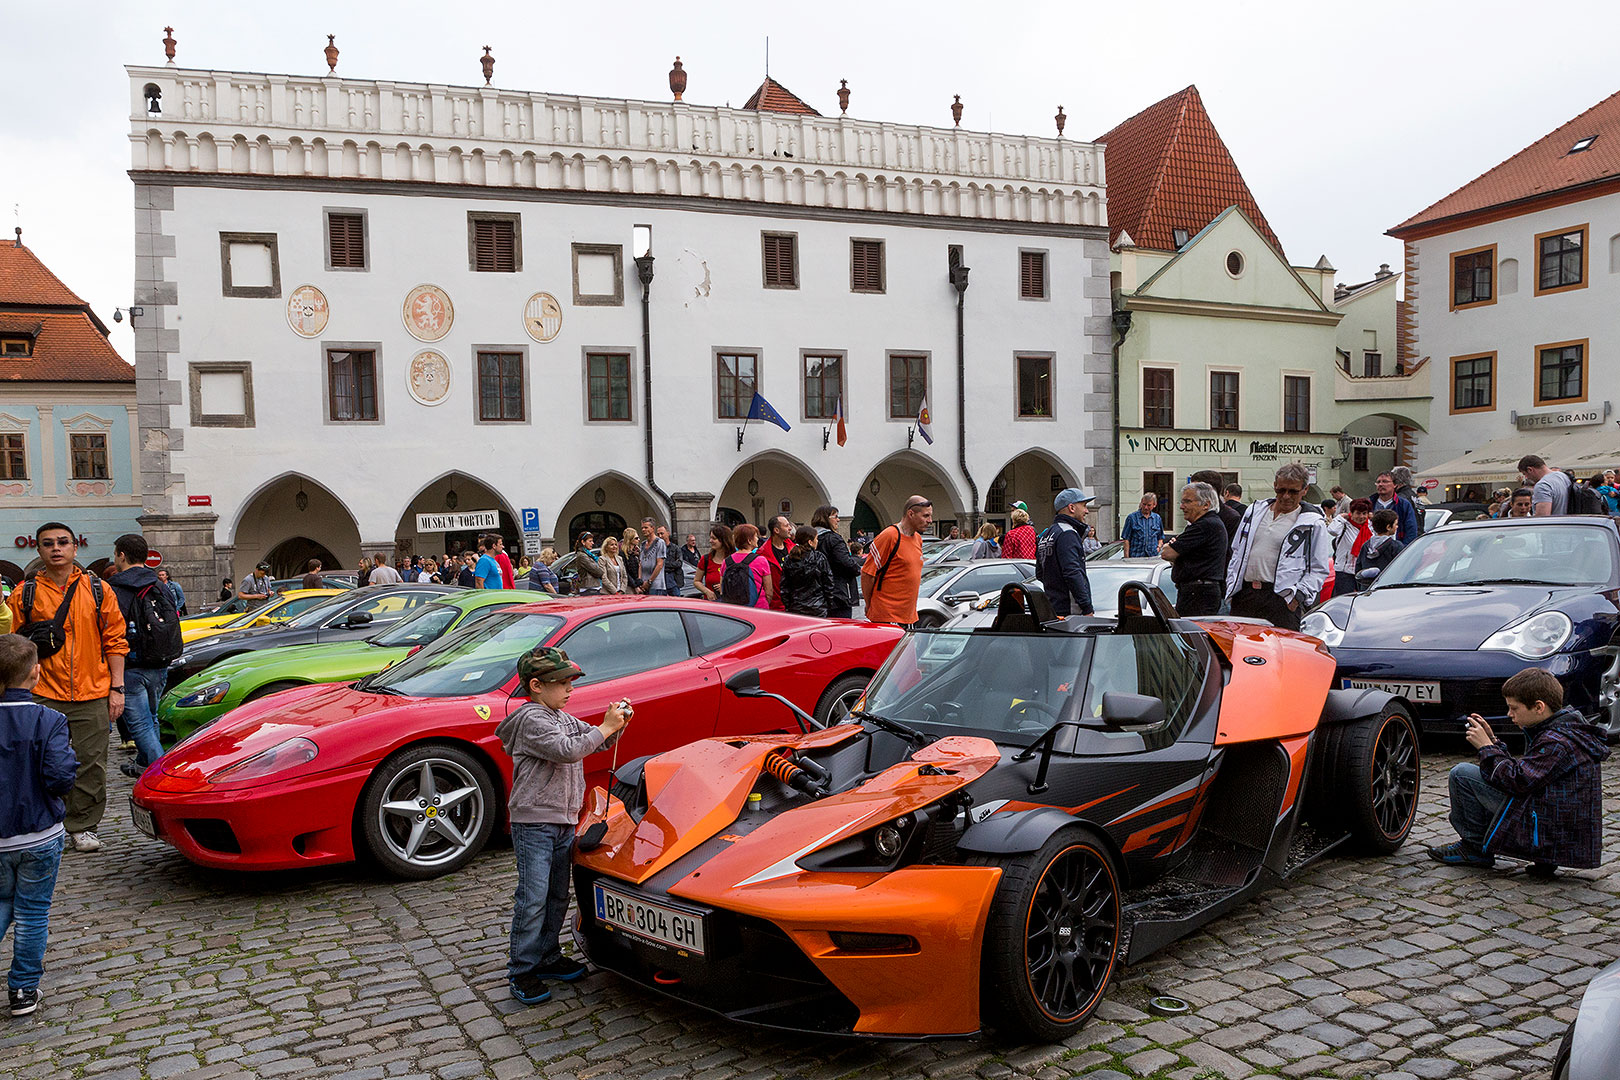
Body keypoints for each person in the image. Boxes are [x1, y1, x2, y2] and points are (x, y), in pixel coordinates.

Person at [495, 646, 630, 1005]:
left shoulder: (562, 717)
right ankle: (522, 969)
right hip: (535, 823)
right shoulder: (532, 720)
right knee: (533, 899)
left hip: (563, 821)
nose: (570, 689)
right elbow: (568, 750)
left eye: (571, 682)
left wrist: (615, 724)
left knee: (557, 895)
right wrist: (604, 728)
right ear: (536, 685)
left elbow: (593, 742)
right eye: (562, 683)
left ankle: (548, 955)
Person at [5, 524, 127, 854]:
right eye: (48, 544)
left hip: (93, 690)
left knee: (90, 763)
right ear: (39, 550)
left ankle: (82, 825)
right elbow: (11, 645)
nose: (56, 548)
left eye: (62, 542)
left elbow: (115, 640)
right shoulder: (24, 593)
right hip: (41, 692)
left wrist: (117, 688)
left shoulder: (98, 589)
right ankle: (44, 822)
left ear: (74, 548)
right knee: (39, 761)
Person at [1427, 668, 1609, 876]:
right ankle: (1544, 859)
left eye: (1514, 708)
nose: (1509, 714)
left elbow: (1517, 780)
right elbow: (1532, 774)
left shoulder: (1557, 742)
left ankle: (1474, 848)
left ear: (1539, 707)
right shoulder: (1564, 731)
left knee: (1462, 774)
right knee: (1479, 774)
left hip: (1547, 832)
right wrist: (1494, 742)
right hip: (1555, 829)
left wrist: (1486, 747)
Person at [0, 634, 76, 1017]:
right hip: (39, 832)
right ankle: (23, 989)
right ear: (35, 674)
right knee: (32, 912)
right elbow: (61, 774)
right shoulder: (50, 720)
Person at [1223, 464, 1331, 631]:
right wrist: (1232, 585)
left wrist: (1298, 597)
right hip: (1245, 595)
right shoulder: (1254, 511)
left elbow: (1318, 567)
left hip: (1282, 600)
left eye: (1293, 491)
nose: (1286, 496)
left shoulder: (1312, 523)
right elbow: (1237, 550)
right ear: (1275, 486)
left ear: (1304, 490)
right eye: (1281, 490)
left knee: (1282, 654)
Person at [107, 534, 178, 779]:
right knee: (152, 718)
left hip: (131, 664)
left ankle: (162, 776)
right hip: (160, 662)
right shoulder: (160, 584)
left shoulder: (115, 588)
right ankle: (142, 763)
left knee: (140, 725)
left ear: (122, 555)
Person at [1158, 483, 1227, 616]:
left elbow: (1167, 553)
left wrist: (1176, 549)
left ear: (1206, 505)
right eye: (1182, 502)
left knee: (1191, 634)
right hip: (1197, 592)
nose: (1181, 506)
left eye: (1187, 502)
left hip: (1198, 594)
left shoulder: (1204, 525)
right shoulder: (1207, 524)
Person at [860, 497, 931, 626]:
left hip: (908, 616)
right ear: (911, 514)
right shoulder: (889, 536)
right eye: (925, 516)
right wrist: (870, 604)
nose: (929, 521)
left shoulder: (918, 539)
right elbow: (867, 573)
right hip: (887, 616)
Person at [1035, 489, 1097, 617]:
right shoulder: (1068, 533)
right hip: (1071, 612)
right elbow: (1073, 572)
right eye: (1084, 506)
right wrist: (1086, 607)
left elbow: (1040, 574)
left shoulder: (1046, 534)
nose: (1086, 511)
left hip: (1054, 608)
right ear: (1072, 508)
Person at [810, 507, 862, 619]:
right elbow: (845, 562)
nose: (838, 520)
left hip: (816, 593)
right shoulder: (833, 539)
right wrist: (858, 569)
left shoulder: (811, 538)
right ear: (825, 519)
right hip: (838, 593)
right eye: (835, 517)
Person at [780, 526, 836, 617]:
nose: (817, 541)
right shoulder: (819, 558)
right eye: (816, 539)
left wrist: (788, 605)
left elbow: (784, 586)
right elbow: (829, 583)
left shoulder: (789, 559)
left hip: (796, 607)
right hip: (818, 607)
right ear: (810, 542)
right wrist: (828, 603)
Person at [721, 524, 775, 608]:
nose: (758, 539)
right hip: (758, 607)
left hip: (734, 609)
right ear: (749, 541)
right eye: (756, 536)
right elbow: (769, 592)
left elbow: (722, 588)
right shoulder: (761, 560)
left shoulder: (726, 561)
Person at [1329, 498, 1373, 597]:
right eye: (1358, 513)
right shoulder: (1344, 525)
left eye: (1364, 513)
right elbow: (1332, 530)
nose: (1361, 517)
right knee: (1344, 599)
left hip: (1364, 571)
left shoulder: (1370, 526)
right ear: (1351, 513)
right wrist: (1341, 517)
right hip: (1344, 571)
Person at [1368, 472, 1420, 544]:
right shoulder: (1369, 503)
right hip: (1373, 549)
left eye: (1385, 481)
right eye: (1378, 482)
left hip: (1396, 550)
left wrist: (1402, 549)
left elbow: (1411, 530)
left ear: (1395, 485)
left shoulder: (1403, 505)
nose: (1380, 484)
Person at [1354, 509, 1405, 583]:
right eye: (1396, 524)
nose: (1397, 527)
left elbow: (1358, 569)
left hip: (1367, 588)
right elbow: (1402, 568)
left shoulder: (1366, 546)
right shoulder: (1395, 546)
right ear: (1388, 527)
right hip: (1388, 587)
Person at [694, 525, 735, 602]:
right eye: (710, 538)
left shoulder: (735, 559)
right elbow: (696, 581)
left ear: (724, 540)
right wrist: (707, 591)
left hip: (730, 604)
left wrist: (725, 587)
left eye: (714, 538)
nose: (710, 541)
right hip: (710, 604)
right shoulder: (705, 559)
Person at [761, 516, 794, 611]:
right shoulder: (763, 553)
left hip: (794, 603)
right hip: (775, 605)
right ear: (776, 530)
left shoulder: (793, 549)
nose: (790, 528)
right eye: (786, 525)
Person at [1121, 494, 1164, 558]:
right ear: (1141, 503)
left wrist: (1159, 547)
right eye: (1144, 504)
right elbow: (1126, 540)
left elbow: (1160, 537)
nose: (1146, 507)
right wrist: (1126, 558)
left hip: (1153, 557)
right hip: (1136, 557)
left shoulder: (1157, 518)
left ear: (1154, 505)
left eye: (1149, 505)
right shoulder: (1132, 518)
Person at [637, 519, 668, 596]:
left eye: (646, 527)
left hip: (656, 585)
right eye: (642, 528)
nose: (643, 530)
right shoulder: (643, 544)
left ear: (652, 528)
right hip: (644, 585)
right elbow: (641, 563)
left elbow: (660, 564)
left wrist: (649, 581)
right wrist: (640, 581)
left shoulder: (660, 542)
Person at [657, 526, 684, 595]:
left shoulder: (675, 548)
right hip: (661, 582)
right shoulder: (656, 549)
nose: (660, 536)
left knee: (676, 603)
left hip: (673, 581)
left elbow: (679, 563)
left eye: (662, 533)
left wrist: (664, 564)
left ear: (668, 533)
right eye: (658, 534)